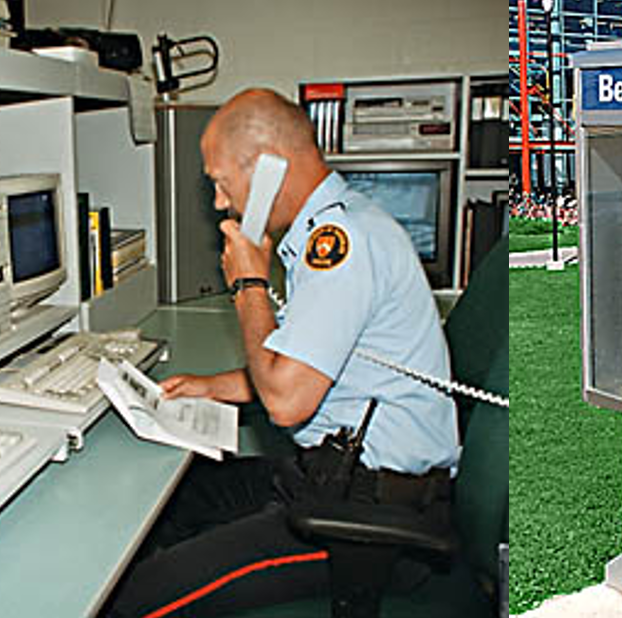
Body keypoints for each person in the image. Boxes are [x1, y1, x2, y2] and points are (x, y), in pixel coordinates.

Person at [104, 88, 459, 618]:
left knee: (132, 601)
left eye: (221, 183)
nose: (221, 202)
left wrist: (249, 281)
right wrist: (210, 386)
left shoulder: (340, 245)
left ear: (269, 168)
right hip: (334, 476)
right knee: (174, 507)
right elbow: (307, 364)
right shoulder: (337, 225)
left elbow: (287, 402)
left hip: (368, 522)